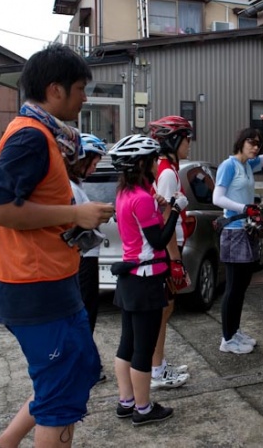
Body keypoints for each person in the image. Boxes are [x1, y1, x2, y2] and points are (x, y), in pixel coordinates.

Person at [0, 44, 115, 448]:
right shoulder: (31, 138)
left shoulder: (41, 133)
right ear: (55, 90)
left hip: (49, 282)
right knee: (61, 394)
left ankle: (3, 445)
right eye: (80, 88)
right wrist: (76, 215)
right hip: (34, 287)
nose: (85, 97)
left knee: (75, 372)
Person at [108, 133, 188, 426]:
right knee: (143, 347)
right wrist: (177, 209)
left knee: (126, 344)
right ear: (143, 163)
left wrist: (160, 205)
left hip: (129, 279)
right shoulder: (141, 198)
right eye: (154, 160)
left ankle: (126, 401)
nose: (158, 165)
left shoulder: (125, 194)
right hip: (147, 279)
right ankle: (143, 409)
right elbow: (158, 240)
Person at [212, 115, 263, 355]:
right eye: (252, 142)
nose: (256, 147)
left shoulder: (248, 165)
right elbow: (217, 198)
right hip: (233, 231)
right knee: (233, 286)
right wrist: (243, 208)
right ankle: (227, 339)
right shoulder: (229, 166)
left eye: (258, 143)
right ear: (241, 142)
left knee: (242, 285)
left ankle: (234, 331)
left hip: (246, 231)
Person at [148, 116, 193, 389]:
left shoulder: (167, 168)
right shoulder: (166, 172)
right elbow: (165, 219)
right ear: (174, 141)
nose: (189, 144)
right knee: (163, 310)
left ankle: (159, 364)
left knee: (166, 308)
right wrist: (175, 259)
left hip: (171, 247)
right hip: (168, 249)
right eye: (187, 139)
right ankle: (156, 369)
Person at [68, 133, 109, 382]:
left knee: (88, 312)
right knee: (85, 314)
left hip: (88, 256)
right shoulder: (71, 187)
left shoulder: (77, 185)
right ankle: (85, 367)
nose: (94, 168)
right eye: (92, 163)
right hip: (83, 258)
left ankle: (88, 364)